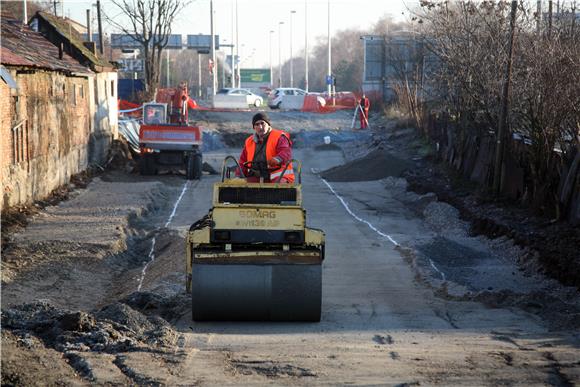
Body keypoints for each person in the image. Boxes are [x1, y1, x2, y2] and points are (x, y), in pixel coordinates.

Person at [238, 112, 295, 183]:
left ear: (268, 124)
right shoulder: (249, 141)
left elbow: (286, 152)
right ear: (254, 127)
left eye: (262, 123)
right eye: (257, 124)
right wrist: (239, 175)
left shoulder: (279, 137)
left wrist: (277, 159)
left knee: (279, 186)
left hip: (277, 175)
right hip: (256, 175)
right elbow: (242, 161)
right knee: (240, 186)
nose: (260, 127)